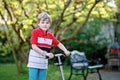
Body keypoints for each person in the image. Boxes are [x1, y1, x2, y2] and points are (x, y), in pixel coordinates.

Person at [27, 12, 70, 80]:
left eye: (47, 23)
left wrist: (65, 50)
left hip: (43, 64)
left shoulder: (50, 35)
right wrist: (46, 53)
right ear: (38, 23)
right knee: (33, 78)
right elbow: (34, 46)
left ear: (50, 24)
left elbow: (58, 43)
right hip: (34, 63)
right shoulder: (35, 32)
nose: (45, 24)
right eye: (43, 22)